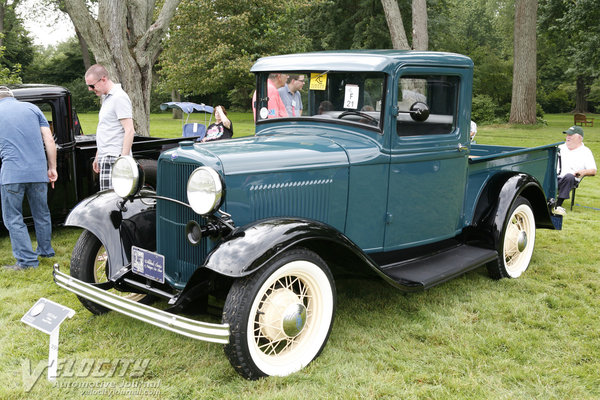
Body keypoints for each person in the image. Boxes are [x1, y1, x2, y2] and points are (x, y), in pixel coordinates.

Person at [0, 86, 58, 270]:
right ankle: (46, 250)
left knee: (13, 218)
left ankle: (27, 261)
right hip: (38, 172)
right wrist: (52, 167)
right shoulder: (33, 108)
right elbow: (49, 140)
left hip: (12, 174)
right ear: (12, 96)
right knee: (42, 213)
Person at [85, 64, 135, 190]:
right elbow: (106, 129)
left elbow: (129, 130)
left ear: (103, 79)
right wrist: (98, 156)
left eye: (92, 85)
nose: (90, 89)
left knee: (114, 203)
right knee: (108, 201)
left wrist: (122, 162)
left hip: (115, 158)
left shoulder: (119, 97)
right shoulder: (107, 98)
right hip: (106, 157)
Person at [554, 125, 597, 215]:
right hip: (553, 177)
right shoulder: (559, 147)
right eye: (567, 135)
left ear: (580, 138)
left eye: (571, 135)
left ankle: (558, 205)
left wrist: (582, 172)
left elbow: (593, 170)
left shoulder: (585, 152)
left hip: (570, 179)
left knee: (569, 176)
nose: (568, 137)